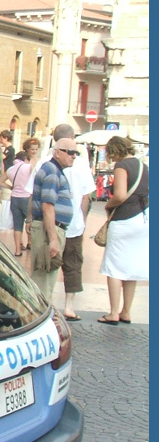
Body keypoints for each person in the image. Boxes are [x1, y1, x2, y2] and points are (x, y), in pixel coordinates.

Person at [97, 135, 149, 324]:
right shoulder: (144, 166)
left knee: (115, 267)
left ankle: (112, 312)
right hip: (143, 219)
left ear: (114, 150)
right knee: (131, 267)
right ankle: (126, 311)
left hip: (124, 219)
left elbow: (119, 195)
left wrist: (108, 205)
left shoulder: (122, 166)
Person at [50, 124, 94, 321]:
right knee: (73, 264)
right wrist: (83, 219)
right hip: (73, 224)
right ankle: (69, 306)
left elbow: (34, 195)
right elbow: (86, 196)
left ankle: (47, 303)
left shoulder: (46, 162)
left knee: (47, 265)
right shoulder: (82, 164)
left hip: (50, 224)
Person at [28, 137, 78, 300]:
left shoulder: (53, 170)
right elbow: (47, 206)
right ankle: (40, 317)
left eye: (75, 153)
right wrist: (53, 239)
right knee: (44, 279)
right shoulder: (52, 171)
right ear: (57, 152)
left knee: (46, 278)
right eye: (70, 152)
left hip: (49, 228)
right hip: (49, 229)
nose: (74, 156)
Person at [6, 149, 33, 257]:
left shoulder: (10, 169)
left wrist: (10, 187)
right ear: (25, 158)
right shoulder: (28, 166)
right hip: (26, 198)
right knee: (31, 222)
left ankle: (18, 250)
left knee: (17, 225)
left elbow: (0, 181)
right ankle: (31, 244)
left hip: (14, 198)